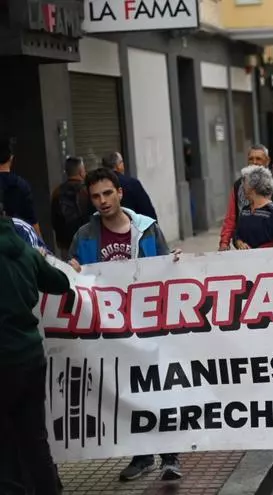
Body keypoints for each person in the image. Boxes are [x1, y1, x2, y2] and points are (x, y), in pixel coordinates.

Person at [67, 168, 183, 482]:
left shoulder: (146, 229)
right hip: (112, 330)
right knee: (127, 392)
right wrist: (72, 270)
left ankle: (171, 456)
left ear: (120, 193)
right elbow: (72, 278)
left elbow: (164, 266)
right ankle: (142, 456)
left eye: (107, 193)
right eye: (95, 196)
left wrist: (175, 262)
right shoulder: (85, 235)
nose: (102, 201)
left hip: (148, 324)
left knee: (158, 388)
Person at [0, 199, 70, 495]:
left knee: (6, 448)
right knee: (35, 440)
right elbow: (60, 283)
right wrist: (42, 258)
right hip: (30, 358)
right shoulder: (24, 250)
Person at [219, 144, 273, 251]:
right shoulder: (238, 185)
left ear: (267, 161)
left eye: (258, 159)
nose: (254, 162)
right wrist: (224, 243)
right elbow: (231, 217)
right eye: (251, 159)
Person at [233, 166, 273, 249]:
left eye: (244, 183)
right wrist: (238, 242)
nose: (242, 187)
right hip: (245, 260)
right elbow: (237, 235)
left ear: (253, 187)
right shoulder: (245, 210)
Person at [100, 152, 159, 220]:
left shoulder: (97, 187)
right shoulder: (132, 184)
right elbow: (148, 212)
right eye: (122, 162)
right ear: (118, 165)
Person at [50, 156, 90, 257]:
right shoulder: (87, 191)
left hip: (66, 244)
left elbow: (54, 219)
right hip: (88, 240)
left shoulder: (57, 192)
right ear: (81, 172)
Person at [0, 135, 40, 235]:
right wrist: (41, 245)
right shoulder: (21, 185)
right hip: (18, 241)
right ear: (11, 158)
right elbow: (32, 221)